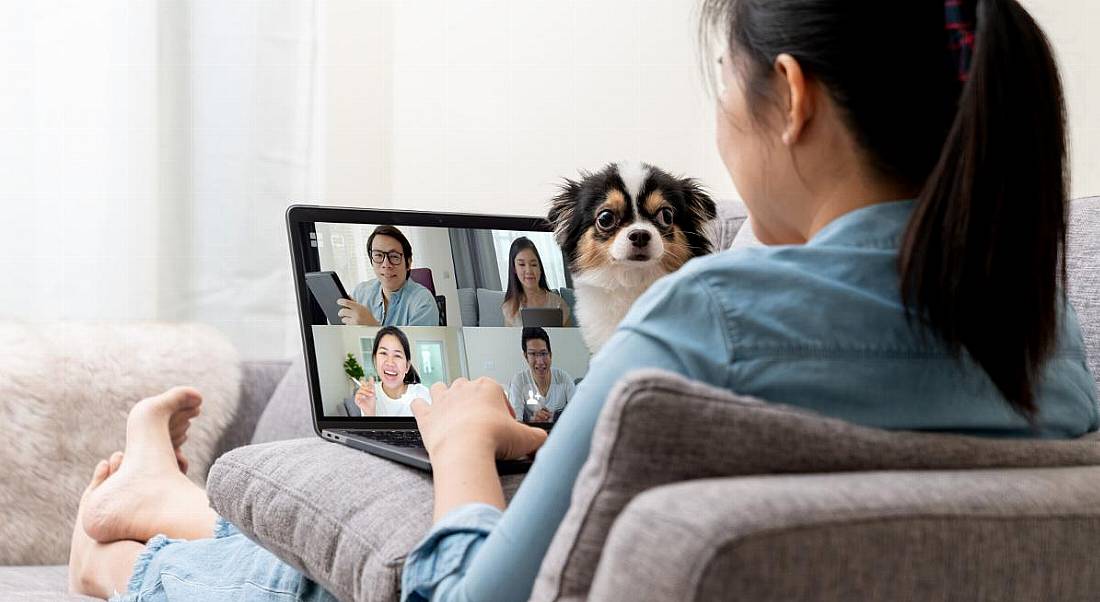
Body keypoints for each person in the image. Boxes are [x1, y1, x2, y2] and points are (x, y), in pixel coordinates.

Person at [67, 2, 1099, 601]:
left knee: (318, 567)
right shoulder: (1049, 347)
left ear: (789, 98)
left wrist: (467, 438)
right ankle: (153, 511)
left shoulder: (706, 316)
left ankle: (121, 544)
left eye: (724, 93)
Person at [337, 225, 439, 327]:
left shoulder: (424, 302)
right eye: (378, 255)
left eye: (394, 256)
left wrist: (372, 328)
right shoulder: (360, 293)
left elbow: (414, 343)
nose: (386, 264)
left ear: (408, 263)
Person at [343, 326, 433, 417]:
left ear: (407, 366)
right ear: (375, 360)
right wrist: (369, 413)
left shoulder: (422, 394)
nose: (390, 363)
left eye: (397, 355)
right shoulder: (369, 395)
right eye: (383, 353)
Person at [507, 327, 576, 423]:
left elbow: (577, 417)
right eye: (533, 354)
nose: (540, 362)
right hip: (531, 436)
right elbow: (514, 424)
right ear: (526, 356)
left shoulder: (564, 379)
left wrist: (555, 417)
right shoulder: (519, 381)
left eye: (543, 353)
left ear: (550, 355)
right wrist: (533, 420)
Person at [501, 237, 571, 327]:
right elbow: (510, 340)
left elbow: (568, 338)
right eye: (522, 264)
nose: (529, 270)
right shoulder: (509, 308)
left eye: (533, 264)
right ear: (514, 269)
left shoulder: (558, 304)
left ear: (540, 268)